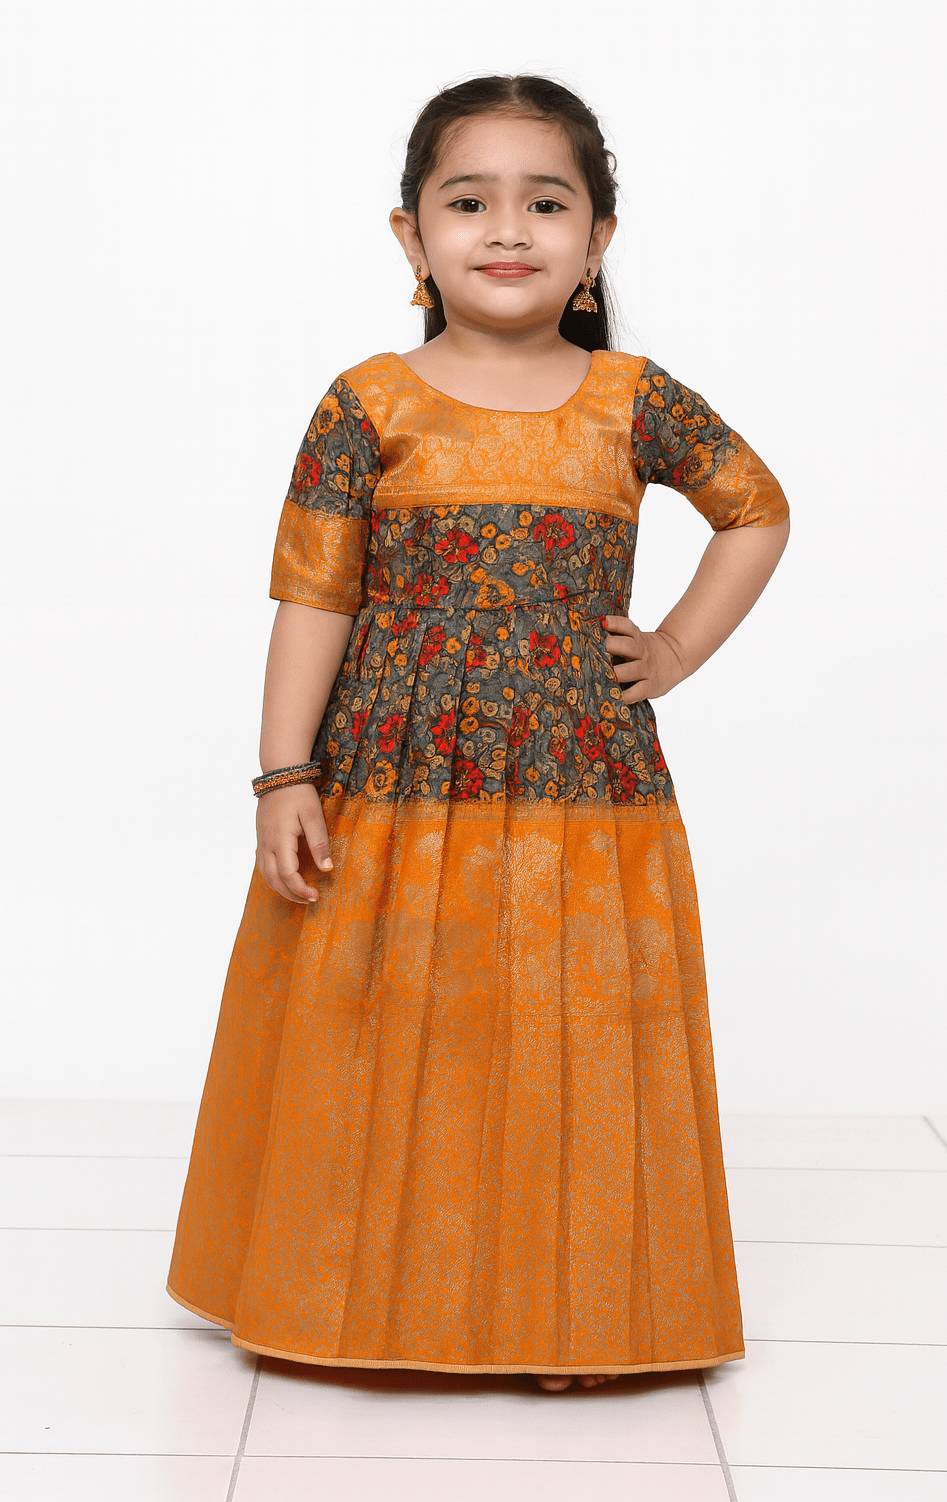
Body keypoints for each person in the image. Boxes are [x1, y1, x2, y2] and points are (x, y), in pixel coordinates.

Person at [167, 73, 790, 1395]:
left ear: (598, 238)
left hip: (583, 789)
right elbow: (314, 598)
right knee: (394, 1025)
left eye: (546, 203)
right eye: (470, 201)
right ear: (412, 235)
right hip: (390, 786)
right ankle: (347, 1304)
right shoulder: (369, 404)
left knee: (570, 1035)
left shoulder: (633, 399)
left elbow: (757, 510)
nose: (508, 228)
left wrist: (675, 648)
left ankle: (576, 1317)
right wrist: (283, 774)